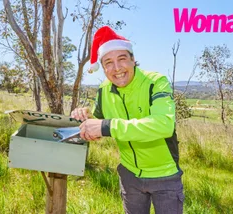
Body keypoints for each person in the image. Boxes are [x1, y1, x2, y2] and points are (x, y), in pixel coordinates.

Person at [70, 26, 184, 214]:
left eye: (122, 59)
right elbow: (98, 122)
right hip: (129, 175)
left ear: (133, 60)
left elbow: (164, 125)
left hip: (165, 176)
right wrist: (85, 116)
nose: (117, 68)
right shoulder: (104, 90)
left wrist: (106, 126)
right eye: (108, 62)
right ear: (103, 67)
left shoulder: (156, 82)